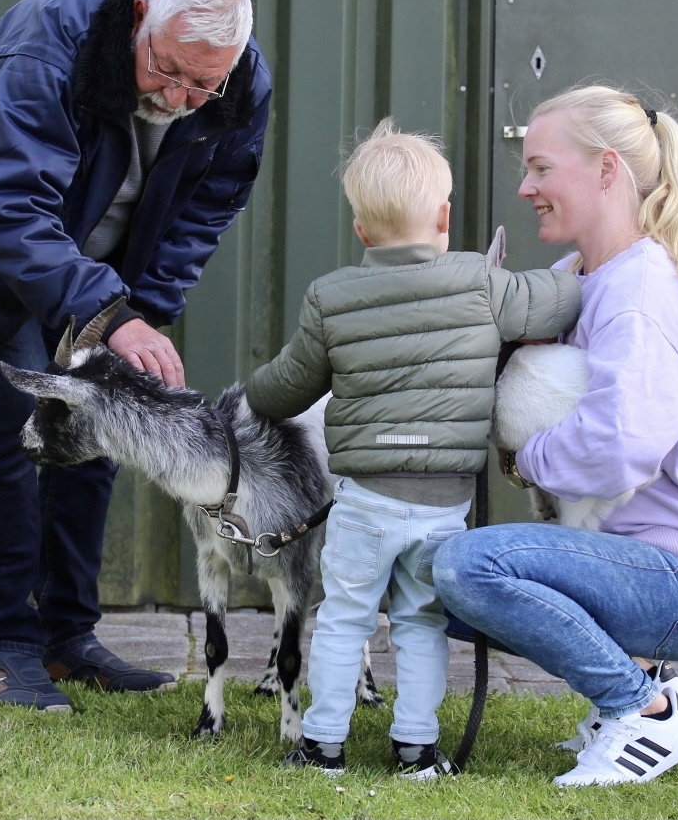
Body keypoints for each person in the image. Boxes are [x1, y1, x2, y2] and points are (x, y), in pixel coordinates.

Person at [0, 0, 271, 713]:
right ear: (139, 21)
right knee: (19, 413)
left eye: (205, 82)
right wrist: (110, 314)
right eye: (169, 72)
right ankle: (3, 644)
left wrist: (136, 310)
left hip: (99, 260)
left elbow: (208, 204)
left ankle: (69, 637)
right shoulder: (47, 46)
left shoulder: (234, 80)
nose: (185, 96)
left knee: (102, 419)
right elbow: (12, 206)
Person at [432, 85, 678, 787]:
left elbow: (619, 449)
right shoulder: (579, 276)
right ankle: (635, 677)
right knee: (416, 567)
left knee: (467, 566)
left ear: (607, 169)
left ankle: (643, 708)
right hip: (633, 562)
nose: (526, 186)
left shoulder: (640, 291)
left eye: (542, 169)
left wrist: (525, 459)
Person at [244, 118, 581, 778]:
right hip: (441, 502)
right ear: (445, 216)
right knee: (421, 624)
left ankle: (323, 747)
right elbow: (559, 301)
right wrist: (590, 263)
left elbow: (284, 388)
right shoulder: (481, 283)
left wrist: (254, 392)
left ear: (362, 230)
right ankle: (416, 751)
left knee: (344, 617)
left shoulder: (331, 297)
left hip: (365, 497)